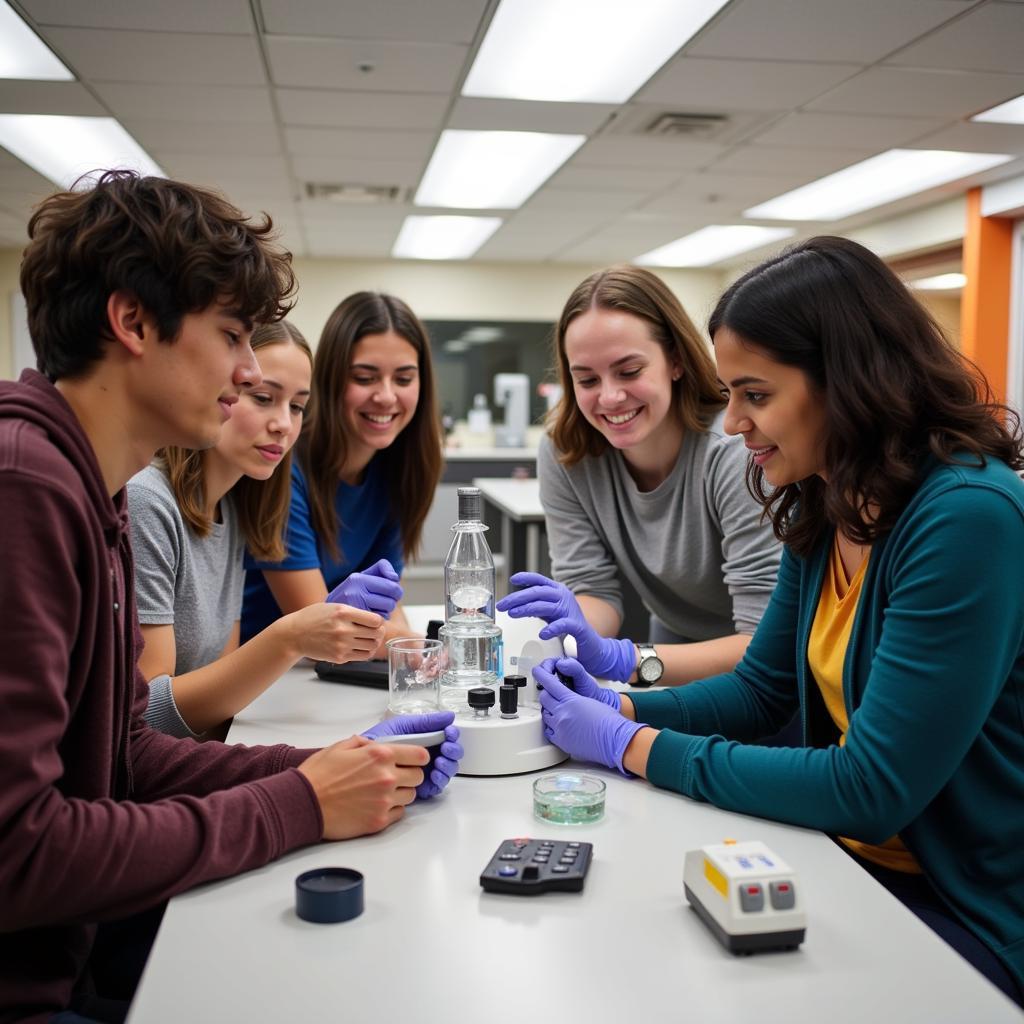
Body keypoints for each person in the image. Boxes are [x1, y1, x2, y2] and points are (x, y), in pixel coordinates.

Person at [0, 171, 461, 1023]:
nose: (250, 370)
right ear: (133, 322)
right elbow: (17, 853)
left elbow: (123, 755)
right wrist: (298, 804)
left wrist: (326, 770)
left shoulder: (88, 487)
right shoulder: (25, 487)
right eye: (233, 337)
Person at [533, 236, 1024, 1005]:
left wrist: (635, 746)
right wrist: (618, 704)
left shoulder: (967, 518)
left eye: (755, 396)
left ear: (848, 382)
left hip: (970, 903)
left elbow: (870, 787)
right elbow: (762, 693)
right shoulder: (827, 498)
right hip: (845, 859)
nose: (731, 424)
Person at [497, 265, 780, 686]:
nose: (609, 397)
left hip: (762, 666)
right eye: (587, 379)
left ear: (676, 361)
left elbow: (762, 640)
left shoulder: (734, 448)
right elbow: (594, 590)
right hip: (672, 640)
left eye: (629, 371)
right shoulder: (566, 452)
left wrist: (624, 659)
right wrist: (558, 632)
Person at [127, 321, 400, 739]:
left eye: (296, 406)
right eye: (262, 398)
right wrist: (290, 637)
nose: (283, 425)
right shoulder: (148, 502)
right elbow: (149, 715)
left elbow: (221, 684)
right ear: (218, 388)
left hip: (200, 748)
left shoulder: (232, 509)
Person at [242, 291, 443, 652]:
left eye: (403, 379)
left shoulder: (396, 469)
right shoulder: (284, 464)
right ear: (331, 379)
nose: (385, 396)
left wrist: (411, 652)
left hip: (331, 669)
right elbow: (321, 626)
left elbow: (388, 601)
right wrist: (429, 648)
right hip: (269, 679)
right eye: (365, 378)